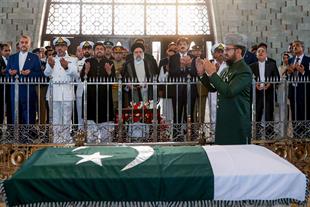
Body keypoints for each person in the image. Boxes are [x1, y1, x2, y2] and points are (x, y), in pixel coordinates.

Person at [196, 33, 252, 145]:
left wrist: (212, 73)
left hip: (236, 122)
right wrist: (202, 74)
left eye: (227, 49)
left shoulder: (244, 70)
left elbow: (229, 91)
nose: (224, 53)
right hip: (224, 120)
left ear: (238, 51)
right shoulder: (227, 69)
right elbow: (213, 88)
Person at [44, 37, 78, 143]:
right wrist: (50, 66)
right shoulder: (51, 59)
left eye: (62, 46)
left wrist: (67, 67)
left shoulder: (73, 59)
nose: (60, 48)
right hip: (53, 93)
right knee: (55, 118)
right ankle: (56, 141)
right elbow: (46, 74)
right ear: (55, 47)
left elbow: (76, 75)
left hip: (67, 93)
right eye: (58, 46)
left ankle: (66, 140)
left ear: (66, 47)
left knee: (66, 118)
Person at [80, 42, 115, 142]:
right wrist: (86, 71)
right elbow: (83, 79)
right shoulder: (88, 61)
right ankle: (91, 143)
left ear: (104, 51)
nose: (99, 50)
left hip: (105, 97)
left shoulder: (109, 62)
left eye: (101, 49)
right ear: (94, 51)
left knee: (106, 119)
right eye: (97, 49)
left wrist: (109, 72)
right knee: (90, 120)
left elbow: (113, 81)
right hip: (90, 96)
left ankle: (105, 143)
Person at [250, 46, 280, 138]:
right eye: (259, 51)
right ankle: (257, 134)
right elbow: (249, 79)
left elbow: (277, 78)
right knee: (257, 113)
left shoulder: (271, 64)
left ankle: (269, 133)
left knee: (269, 113)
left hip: (269, 93)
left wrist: (270, 84)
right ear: (256, 54)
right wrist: (255, 84)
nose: (261, 52)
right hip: (257, 93)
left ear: (266, 54)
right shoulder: (252, 66)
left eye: (263, 51)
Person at [286, 40, 310, 138]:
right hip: (293, 91)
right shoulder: (291, 60)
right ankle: (296, 136)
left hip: (304, 92)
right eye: (293, 46)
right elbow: (288, 77)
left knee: (305, 114)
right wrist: (289, 72)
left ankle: (306, 136)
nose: (294, 47)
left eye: (297, 45)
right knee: (295, 115)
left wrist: (303, 72)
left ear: (302, 48)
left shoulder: (308, 60)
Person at [208, 43, 227, 134]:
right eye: (218, 52)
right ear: (213, 54)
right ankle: (213, 133)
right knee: (213, 112)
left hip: (224, 92)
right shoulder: (210, 63)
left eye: (222, 51)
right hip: (213, 92)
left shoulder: (228, 65)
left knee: (224, 112)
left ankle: (223, 132)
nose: (220, 54)